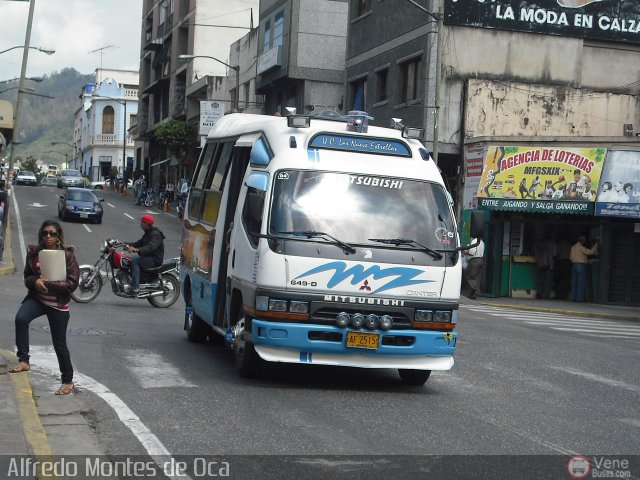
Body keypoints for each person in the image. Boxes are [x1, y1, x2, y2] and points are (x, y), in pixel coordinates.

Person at [9, 220, 80, 396]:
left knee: (59, 343)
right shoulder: (34, 253)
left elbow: (72, 284)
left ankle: (68, 381)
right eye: (45, 233)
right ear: (41, 235)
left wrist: (49, 284)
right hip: (38, 299)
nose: (48, 236)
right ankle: (24, 360)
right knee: (21, 318)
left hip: (57, 303)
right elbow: (27, 277)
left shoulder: (67, 256)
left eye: (52, 233)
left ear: (58, 236)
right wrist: (35, 282)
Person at [125, 214, 165, 295]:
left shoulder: (155, 234)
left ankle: (135, 288)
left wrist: (136, 249)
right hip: (148, 257)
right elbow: (138, 243)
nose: (140, 223)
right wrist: (123, 244)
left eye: (142, 222)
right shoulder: (147, 233)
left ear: (147, 224)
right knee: (128, 259)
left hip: (155, 259)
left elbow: (150, 247)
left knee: (135, 261)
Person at [570, 236, 598, 302]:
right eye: (584, 240)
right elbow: (590, 252)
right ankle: (579, 299)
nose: (584, 242)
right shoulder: (581, 248)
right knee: (581, 282)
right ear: (581, 241)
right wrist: (596, 245)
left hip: (574, 265)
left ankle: (573, 297)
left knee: (574, 283)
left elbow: (571, 258)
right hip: (581, 265)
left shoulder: (572, 247)